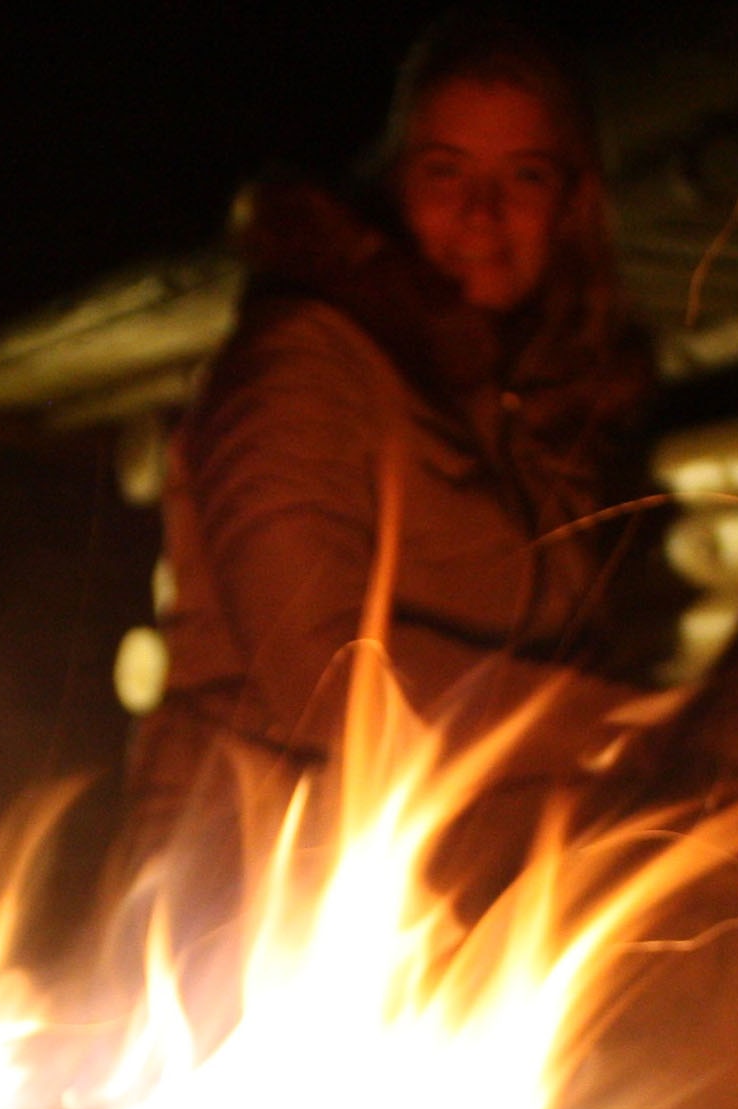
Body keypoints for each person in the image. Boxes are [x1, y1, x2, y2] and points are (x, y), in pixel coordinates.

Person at [119, 15, 675, 883]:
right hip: (269, 898)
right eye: (446, 171)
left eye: (522, 177)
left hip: (467, 905)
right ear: (394, 181)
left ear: (571, 205)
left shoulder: (550, 408)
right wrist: (618, 721)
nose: (482, 213)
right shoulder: (309, 360)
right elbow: (318, 680)